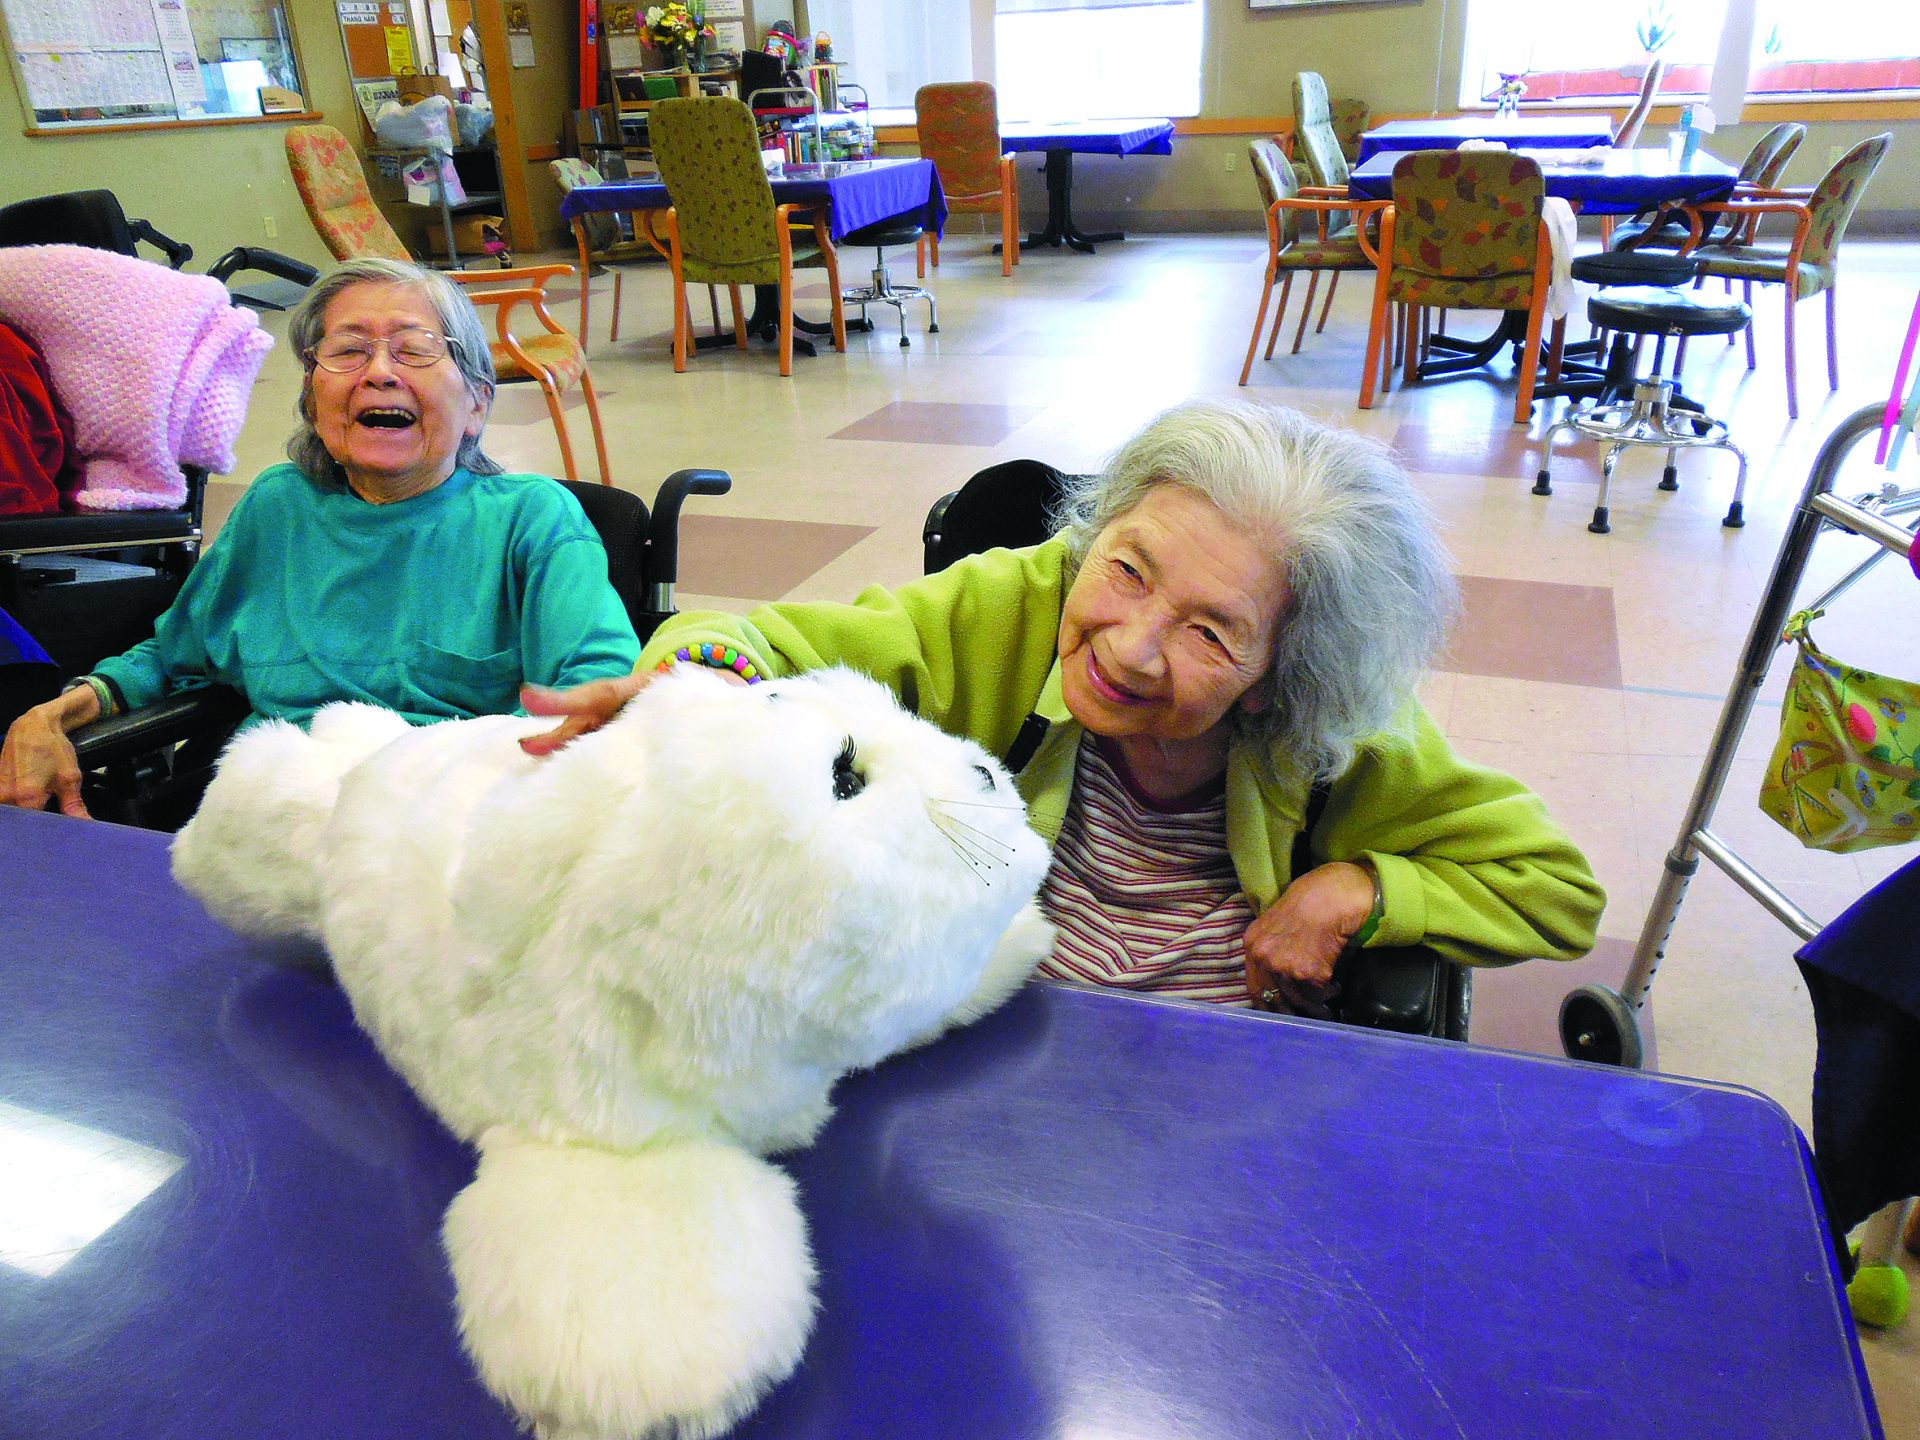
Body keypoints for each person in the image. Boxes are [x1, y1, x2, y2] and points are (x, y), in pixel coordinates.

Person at [521, 399, 1604, 1011]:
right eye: (1128, 570)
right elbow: (760, 642)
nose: (1129, 650)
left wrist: (1357, 890)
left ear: (1281, 673)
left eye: (1210, 631)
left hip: (1221, 1086)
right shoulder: (1022, 599)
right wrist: (691, 683)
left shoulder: (1337, 729)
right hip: (983, 1030)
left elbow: (1556, 889)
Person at [0, 256, 639, 819]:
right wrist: (50, 715)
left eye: (414, 348)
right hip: (272, 820)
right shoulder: (278, 507)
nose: (378, 372)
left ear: (476, 403)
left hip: (448, 823)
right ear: (313, 398)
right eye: (347, 350)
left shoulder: (530, 520)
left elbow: (594, 695)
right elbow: (171, 658)